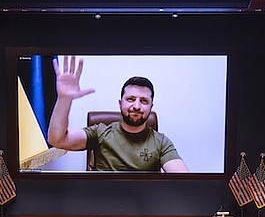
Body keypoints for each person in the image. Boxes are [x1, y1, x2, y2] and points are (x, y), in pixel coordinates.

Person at [48, 56, 188, 172]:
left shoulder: (161, 142)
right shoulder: (100, 133)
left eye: (144, 101)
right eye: (131, 99)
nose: (136, 106)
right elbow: (57, 140)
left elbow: (183, 181)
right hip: (104, 202)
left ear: (151, 107)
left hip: (143, 203)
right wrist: (64, 99)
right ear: (120, 103)